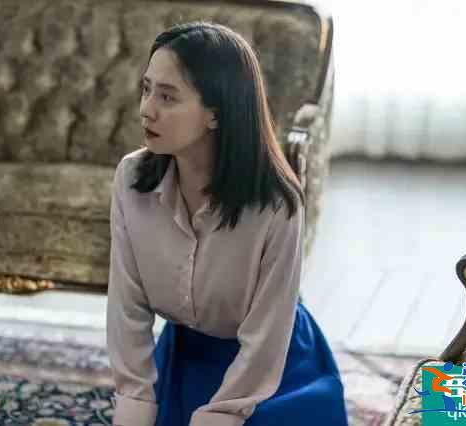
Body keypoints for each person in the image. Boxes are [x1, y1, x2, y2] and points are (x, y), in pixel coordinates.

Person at [106, 21, 348, 426]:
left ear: (216, 114)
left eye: (167, 96)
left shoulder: (277, 203)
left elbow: (266, 338)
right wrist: (135, 398)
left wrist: (222, 414)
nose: (147, 108)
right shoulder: (132, 179)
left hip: (276, 366)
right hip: (185, 356)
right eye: (146, 89)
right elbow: (126, 307)